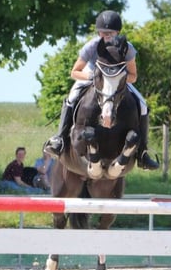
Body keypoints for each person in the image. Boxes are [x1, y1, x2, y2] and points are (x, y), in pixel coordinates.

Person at [42, 10, 159, 170]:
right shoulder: (92, 46)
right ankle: (60, 139)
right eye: (103, 33)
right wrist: (93, 78)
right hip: (92, 79)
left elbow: (133, 76)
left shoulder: (127, 48)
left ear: (117, 32)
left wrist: (120, 80)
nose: (106, 36)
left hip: (117, 82)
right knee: (71, 98)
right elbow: (74, 71)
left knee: (143, 104)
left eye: (110, 33)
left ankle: (143, 153)